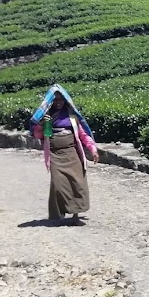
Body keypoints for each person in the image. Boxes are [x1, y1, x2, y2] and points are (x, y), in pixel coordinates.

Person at [30, 84, 99, 224]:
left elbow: (82, 134)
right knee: (59, 184)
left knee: (77, 183)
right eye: (55, 100)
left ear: (65, 100)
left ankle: (75, 215)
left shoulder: (71, 115)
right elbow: (38, 135)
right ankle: (60, 212)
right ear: (51, 102)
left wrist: (92, 148)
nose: (58, 102)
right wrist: (40, 125)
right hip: (55, 154)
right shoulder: (46, 117)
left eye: (61, 100)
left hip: (72, 153)